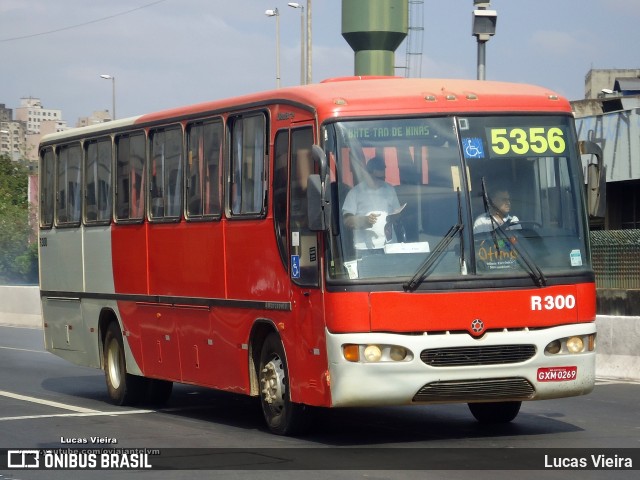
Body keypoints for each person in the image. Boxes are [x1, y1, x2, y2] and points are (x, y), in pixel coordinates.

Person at [342, 155, 402, 252]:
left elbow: (397, 214)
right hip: (364, 248)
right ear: (368, 174)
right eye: (377, 178)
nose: (380, 181)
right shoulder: (355, 192)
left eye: (383, 178)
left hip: (389, 245)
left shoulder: (389, 189)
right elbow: (347, 221)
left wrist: (396, 216)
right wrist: (364, 220)